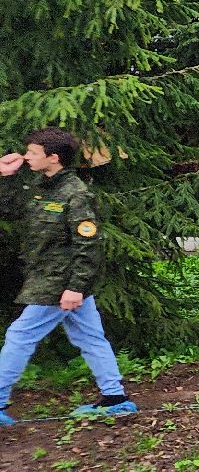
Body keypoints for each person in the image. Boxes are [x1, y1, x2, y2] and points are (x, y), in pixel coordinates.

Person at [0, 128, 135, 424]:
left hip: (59, 284)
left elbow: (88, 246)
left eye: (33, 153)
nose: (26, 157)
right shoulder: (40, 186)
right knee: (90, 337)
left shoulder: (76, 194)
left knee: (19, 335)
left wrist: (75, 288)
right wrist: (7, 177)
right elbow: (9, 211)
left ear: (54, 158)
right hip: (47, 278)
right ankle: (116, 398)